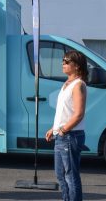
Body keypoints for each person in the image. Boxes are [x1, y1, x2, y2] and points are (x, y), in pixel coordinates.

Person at [45, 50, 88, 201]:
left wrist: (63, 130)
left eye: (67, 61)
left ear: (77, 66)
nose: (63, 63)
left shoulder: (78, 85)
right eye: (63, 61)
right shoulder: (67, 83)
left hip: (70, 136)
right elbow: (65, 112)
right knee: (61, 175)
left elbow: (78, 114)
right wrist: (54, 129)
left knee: (70, 176)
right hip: (62, 135)